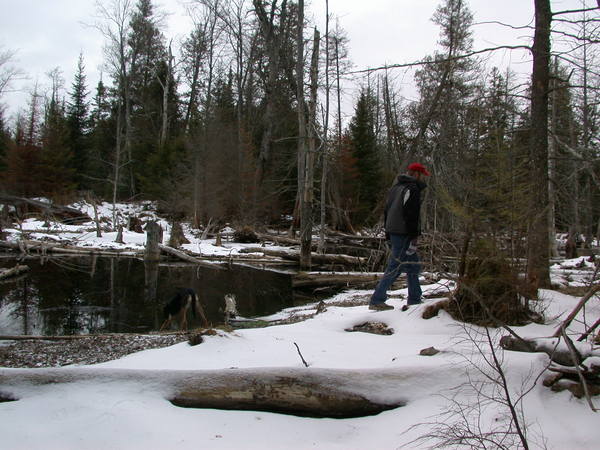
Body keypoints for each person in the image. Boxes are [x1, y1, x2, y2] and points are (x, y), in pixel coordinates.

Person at [369, 162, 430, 311]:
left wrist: (388, 233)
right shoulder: (412, 189)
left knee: (413, 265)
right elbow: (411, 215)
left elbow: (387, 211)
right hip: (403, 233)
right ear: (416, 174)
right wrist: (414, 236)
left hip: (395, 231)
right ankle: (377, 300)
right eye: (422, 175)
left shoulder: (396, 188)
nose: (424, 178)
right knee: (396, 266)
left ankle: (415, 298)